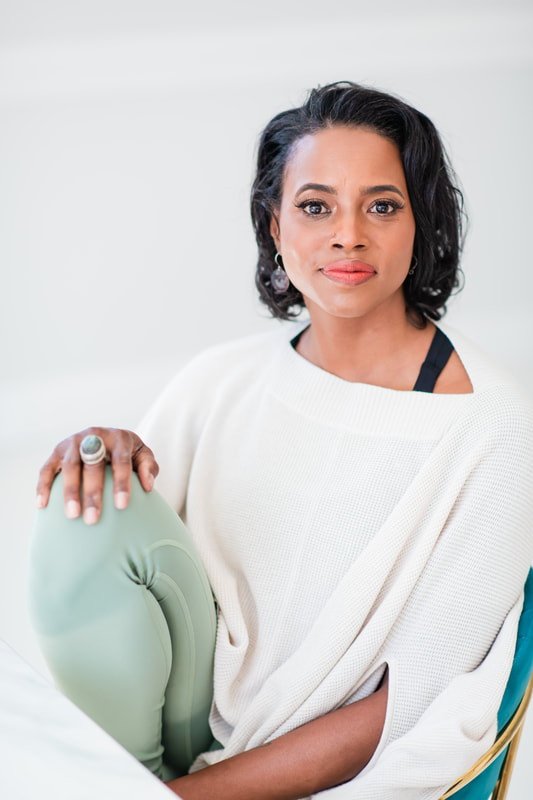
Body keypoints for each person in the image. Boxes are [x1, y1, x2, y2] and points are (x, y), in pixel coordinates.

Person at [28, 82, 533, 800]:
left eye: (381, 206)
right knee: (84, 499)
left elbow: (410, 703)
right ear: (274, 226)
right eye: (315, 206)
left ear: (421, 220)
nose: (347, 235)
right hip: (180, 725)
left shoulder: (494, 426)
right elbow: (125, 566)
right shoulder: (220, 379)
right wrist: (102, 452)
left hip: (319, 767)